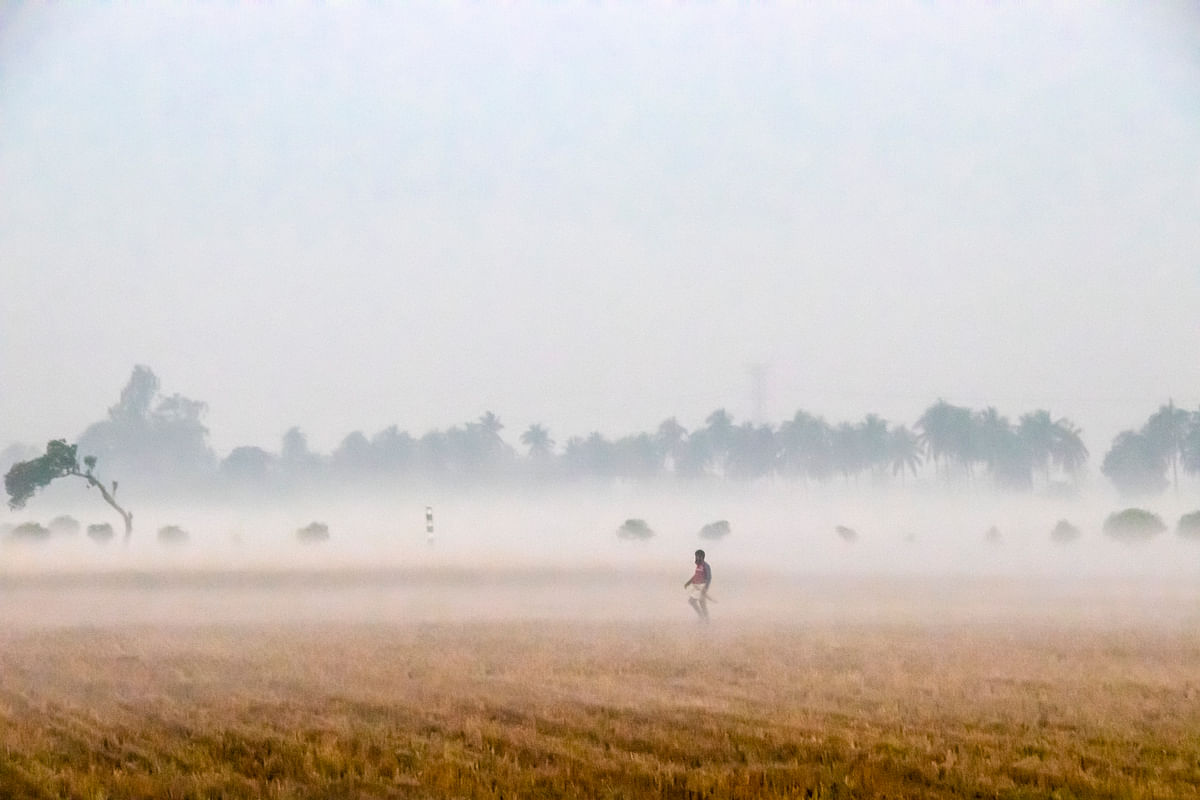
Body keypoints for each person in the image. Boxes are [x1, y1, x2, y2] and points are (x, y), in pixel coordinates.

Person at [684, 549, 711, 621]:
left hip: (702, 586)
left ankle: (703, 617)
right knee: (701, 603)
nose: (696, 558)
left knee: (692, 601)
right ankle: (705, 618)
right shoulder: (698, 566)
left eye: (697, 556)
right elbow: (695, 575)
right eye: (696, 556)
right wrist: (688, 582)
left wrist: (705, 588)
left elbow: (709, 577)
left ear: (701, 557)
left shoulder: (706, 566)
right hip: (696, 586)